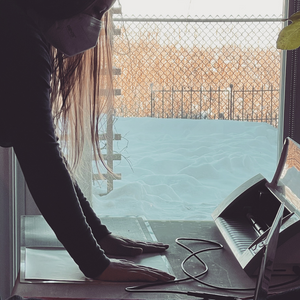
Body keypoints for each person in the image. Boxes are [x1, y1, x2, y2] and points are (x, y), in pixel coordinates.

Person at [0, 0, 175, 282]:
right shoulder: (21, 40)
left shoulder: (19, 25)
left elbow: (43, 150)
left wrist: (99, 235)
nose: (97, 23)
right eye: (96, 10)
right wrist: (96, 262)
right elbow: (41, 156)